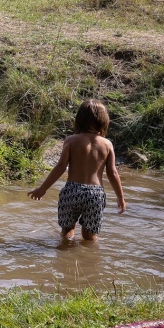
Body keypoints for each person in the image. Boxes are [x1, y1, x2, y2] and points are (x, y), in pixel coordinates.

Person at [28, 99, 125, 241]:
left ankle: (64, 256)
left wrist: (43, 188)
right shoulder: (107, 144)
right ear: (104, 122)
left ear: (79, 120)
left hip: (72, 190)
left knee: (67, 231)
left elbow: (60, 167)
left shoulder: (71, 140)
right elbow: (112, 173)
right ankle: (89, 260)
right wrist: (120, 197)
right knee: (90, 236)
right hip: (95, 194)